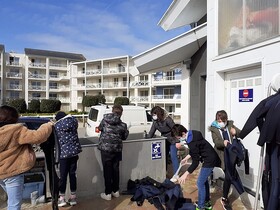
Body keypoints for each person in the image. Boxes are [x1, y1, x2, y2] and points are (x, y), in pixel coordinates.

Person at [0, 105, 53, 210]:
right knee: (14, 205)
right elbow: (38, 136)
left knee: (11, 200)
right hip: (12, 173)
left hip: (1, 173)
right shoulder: (16, 130)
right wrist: (48, 125)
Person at [171, 124, 221, 210]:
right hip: (210, 157)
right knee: (203, 181)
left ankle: (201, 207)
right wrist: (186, 158)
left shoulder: (191, 142)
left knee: (200, 183)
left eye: (179, 138)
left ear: (183, 133)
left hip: (209, 160)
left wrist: (185, 174)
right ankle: (207, 202)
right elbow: (196, 150)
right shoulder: (193, 134)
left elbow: (195, 162)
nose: (179, 140)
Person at [98, 104, 129, 201]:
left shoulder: (105, 121)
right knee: (115, 170)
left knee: (107, 171)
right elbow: (124, 137)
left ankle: (108, 193)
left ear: (112, 111)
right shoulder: (123, 125)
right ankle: (115, 191)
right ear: (121, 113)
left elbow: (100, 128)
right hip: (117, 150)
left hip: (106, 150)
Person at [54, 111, 82, 207]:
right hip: (74, 154)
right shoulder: (74, 122)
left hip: (63, 155)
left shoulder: (57, 126)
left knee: (63, 176)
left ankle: (61, 198)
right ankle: (73, 197)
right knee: (73, 175)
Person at [147, 106, 179, 174]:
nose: (153, 116)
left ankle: (176, 174)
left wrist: (177, 141)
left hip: (172, 139)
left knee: (173, 157)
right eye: (152, 115)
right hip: (164, 139)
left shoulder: (167, 119)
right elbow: (151, 132)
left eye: (154, 114)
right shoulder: (155, 122)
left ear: (158, 114)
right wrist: (147, 140)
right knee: (164, 156)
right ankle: (164, 172)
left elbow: (175, 129)